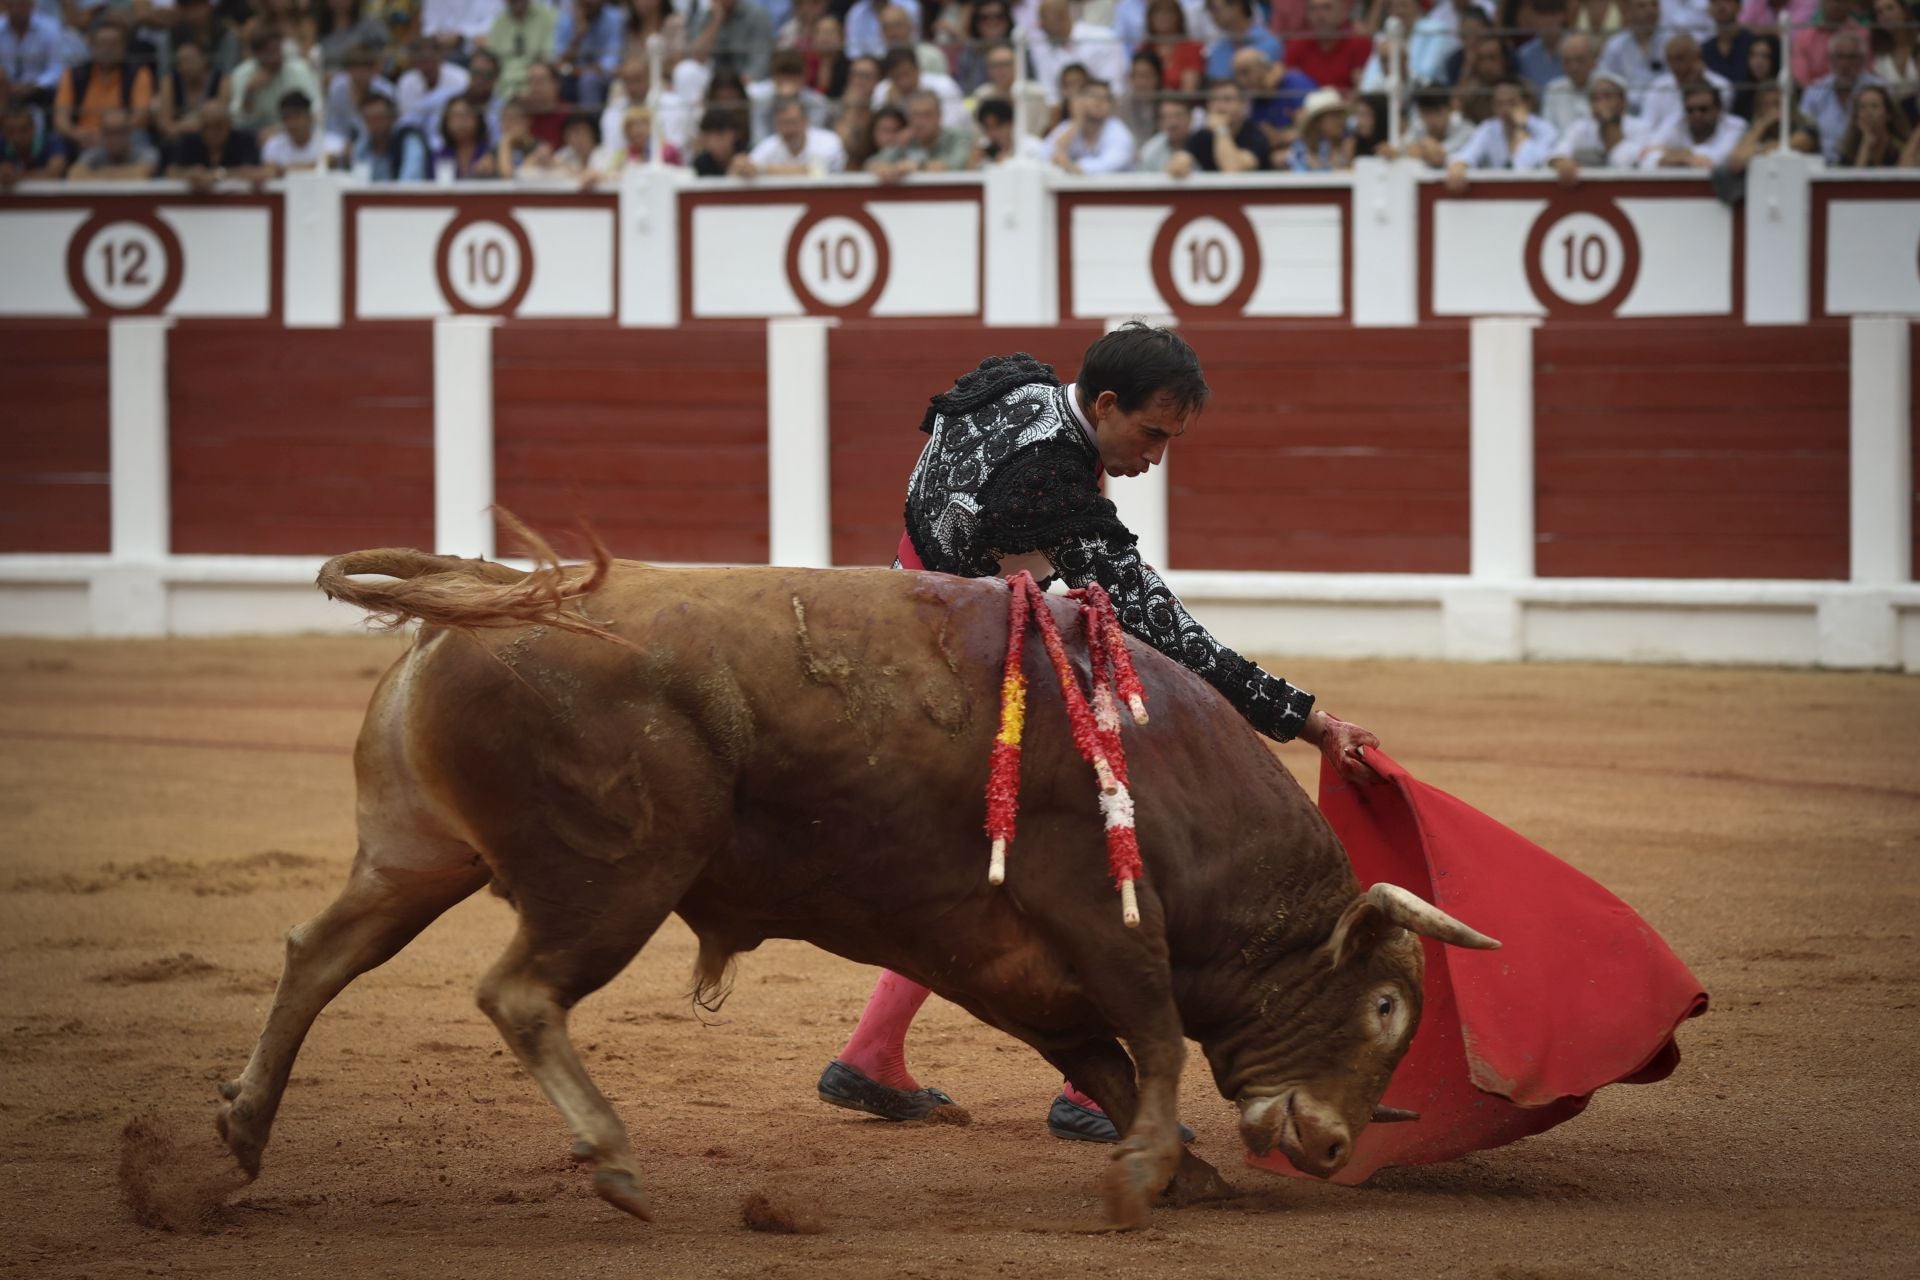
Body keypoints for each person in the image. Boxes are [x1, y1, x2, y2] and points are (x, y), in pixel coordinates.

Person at [816, 324, 1384, 1143]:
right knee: (1091, 847)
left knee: (978, 865)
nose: (1155, 457)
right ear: (1106, 403)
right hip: (960, 677)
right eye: (1150, 434)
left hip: (915, 635)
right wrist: (1308, 719)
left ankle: (873, 1052)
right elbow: (1169, 632)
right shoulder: (1052, 479)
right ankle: (1088, 1090)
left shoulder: (1017, 387)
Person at [54, 22, 156, 150]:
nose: (108, 49)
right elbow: (61, 118)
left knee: (139, 136)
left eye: (114, 44)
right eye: (102, 44)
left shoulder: (139, 73)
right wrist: (76, 134)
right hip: (82, 139)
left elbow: (141, 117)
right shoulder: (72, 74)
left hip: (121, 138)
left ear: (124, 46)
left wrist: (109, 136)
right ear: (91, 45)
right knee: (56, 141)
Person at [1445, 76, 1559, 186]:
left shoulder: (1545, 129)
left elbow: (1526, 166)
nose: (1505, 110)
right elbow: (1468, 154)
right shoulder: (1488, 128)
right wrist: (1459, 166)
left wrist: (1521, 128)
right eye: (1499, 104)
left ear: (1527, 103)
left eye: (1512, 103)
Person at [1803, 31, 1885, 162]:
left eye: (1851, 57)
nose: (1845, 63)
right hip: (1822, 165)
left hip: (1868, 161)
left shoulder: (1878, 88)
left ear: (1863, 59)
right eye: (1839, 57)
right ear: (1830, 59)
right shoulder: (1815, 91)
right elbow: (1804, 130)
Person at [228, 25, 319, 135]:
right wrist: (249, 92)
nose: (277, 56)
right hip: (256, 134)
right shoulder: (242, 74)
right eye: (270, 52)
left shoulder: (299, 70)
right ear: (257, 54)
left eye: (278, 50)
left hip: (293, 133)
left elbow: (314, 110)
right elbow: (237, 120)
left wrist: (277, 130)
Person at [1546, 69, 1641, 173]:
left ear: (1623, 102)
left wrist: (1610, 125)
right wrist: (1561, 162)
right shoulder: (1580, 127)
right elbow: (1557, 152)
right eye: (1595, 98)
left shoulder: (1640, 127)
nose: (1601, 104)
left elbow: (1633, 161)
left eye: (1607, 97)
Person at [865, 84, 971, 176]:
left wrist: (918, 167)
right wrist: (887, 168)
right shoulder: (906, 140)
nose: (920, 122)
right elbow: (870, 164)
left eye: (926, 115)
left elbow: (957, 165)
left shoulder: (958, 136)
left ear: (939, 116)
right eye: (915, 115)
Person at [1631, 77, 1741, 165]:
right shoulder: (1677, 122)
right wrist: (1686, 157)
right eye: (1690, 110)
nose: (1697, 115)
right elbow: (1646, 157)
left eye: (1703, 109)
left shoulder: (1735, 126)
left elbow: (1718, 160)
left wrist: (1672, 154)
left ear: (1718, 109)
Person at [1043, 77, 1136, 172]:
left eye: (1105, 98)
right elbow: (1044, 154)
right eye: (1093, 96)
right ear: (1078, 100)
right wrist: (1076, 123)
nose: (1099, 102)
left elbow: (1109, 164)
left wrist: (1070, 165)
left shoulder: (1117, 130)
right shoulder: (1068, 126)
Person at [741, 90, 845, 170]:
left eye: (792, 122)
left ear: (805, 121)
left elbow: (816, 171)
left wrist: (761, 169)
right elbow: (748, 166)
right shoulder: (768, 146)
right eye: (782, 123)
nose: (789, 129)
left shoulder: (829, 141)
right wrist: (742, 165)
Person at [555, 0, 627, 109]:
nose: (588, 2)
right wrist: (578, 36)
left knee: (588, 80)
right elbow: (559, 63)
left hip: (604, 78)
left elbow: (610, 65)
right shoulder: (566, 20)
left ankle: (589, 119)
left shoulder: (615, 18)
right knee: (556, 82)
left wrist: (576, 71)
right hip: (572, 77)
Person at [1289, 0, 1373, 91]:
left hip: (1344, 100)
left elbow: (1367, 89)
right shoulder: (1297, 44)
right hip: (1305, 99)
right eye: (1313, 9)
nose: (1319, 15)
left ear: (1342, 12)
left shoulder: (1359, 43)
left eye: (1327, 8)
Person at [349, 89, 430, 179]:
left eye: (379, 117)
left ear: (392, 118)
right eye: (369, 119)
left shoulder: (409, 141)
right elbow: (357, 179)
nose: (374, 123)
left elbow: (410, 181)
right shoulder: (362, 145)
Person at [154, 38, 224, 142]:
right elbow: (164, 124)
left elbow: (220, 118)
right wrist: (192, 126)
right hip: (178, 141)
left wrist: (179, 127)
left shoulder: (221, 80)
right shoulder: (170, 81)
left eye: (189, 60)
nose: (184, 67)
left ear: (204, 59)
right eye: (180, 63)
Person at [396, 35, 471, 130]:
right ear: (414, 61)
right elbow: (407, 119)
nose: (427, 65)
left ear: (440, 56)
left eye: (430, 58)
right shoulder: (406, 82)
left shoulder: (461, 78)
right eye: (421, 60)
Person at [491, 0, 562, 100]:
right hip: (504, 87)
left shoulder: (548, 16)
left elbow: (549, 56)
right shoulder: (499, 23)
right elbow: (492, 58)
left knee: (539, 72)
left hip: (534, 82)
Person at [688, 0, 774, 80]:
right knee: (687, 70)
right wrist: (716, 20)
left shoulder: (757, 15)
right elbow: (697, 57)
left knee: (758, 89)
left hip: (748, 79)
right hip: (712, 80)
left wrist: (744, 81)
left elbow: (761, 58)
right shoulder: (704, 16)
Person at [69, 104, 159, 178]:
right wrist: (126, 174)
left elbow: (143, 173)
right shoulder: (95, 154)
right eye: (110, 133)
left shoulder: (145, 153)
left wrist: (99, 174)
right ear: (102, 135)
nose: (115, 138)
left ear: (129, 132)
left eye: (119, 132)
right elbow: (74, 174)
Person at [261, 89, 341, 172]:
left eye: (297, 116)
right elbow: (269, 171)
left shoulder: (330, 143)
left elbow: (327, 163)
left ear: (310, 117)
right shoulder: (273, 146)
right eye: (286, 117)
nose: (292, 123)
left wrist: (282, 170)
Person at [1836, 81, 1910, 165]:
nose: (1868, 113)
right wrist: (1865, 145)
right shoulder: (1849, 151)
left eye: (1874, 106)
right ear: (1856, 116)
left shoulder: (1901, 148)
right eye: (1862, 107)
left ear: (1888, 114)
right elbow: (1856, 173)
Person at [1541, 29, 1601, 130]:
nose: (1573, 67)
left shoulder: (1609, 88)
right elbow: (1548, 131)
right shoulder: (1553, 90)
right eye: (1567, 61)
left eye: (1579, 60)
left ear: (1594, 60)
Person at [431, 94, 498, 177]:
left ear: (478, 119)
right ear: (446, 122)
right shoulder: (438, 156)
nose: (461, 122)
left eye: (466, 115)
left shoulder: (490, 154)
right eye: (455, 116)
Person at [1288, 85, 1353, 170]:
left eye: (1341, 116)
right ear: (1317, 122)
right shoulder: (1301, 149)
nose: (1340, 121)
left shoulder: (1350, 145)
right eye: (1334, 116)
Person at [0, 101, 67, 182]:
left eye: (23, 130)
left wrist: (17, 176)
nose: (17, 137)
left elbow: (54, 173)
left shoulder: (52, 141)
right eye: (11, 131)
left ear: (33, 128)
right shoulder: (2, 145)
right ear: (3, 132)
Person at [1134, 92, 1194, 171]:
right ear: (1159, 122)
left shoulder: (1205, 144)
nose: (1173, 123)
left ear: (1190, 118)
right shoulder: (1150, 151)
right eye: (1167, 117)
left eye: (1178, 115)